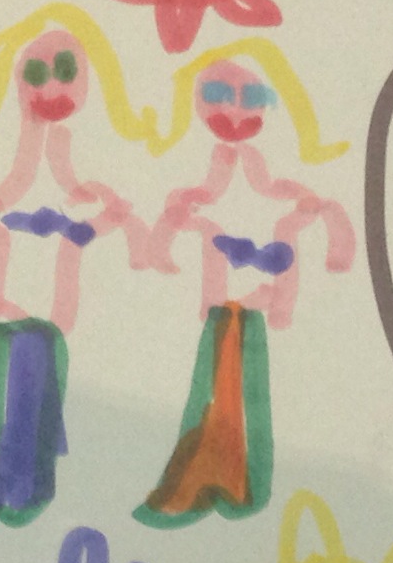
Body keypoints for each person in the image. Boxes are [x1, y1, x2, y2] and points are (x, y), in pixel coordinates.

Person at [0, 4, 155, 545]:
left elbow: (84, 199)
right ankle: (12, 476)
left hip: (47, 292)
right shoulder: (28, 141)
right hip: (20, 286)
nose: (50, 87)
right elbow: (14, 188)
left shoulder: (74, 143)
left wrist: (100, 222)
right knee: (20, 375)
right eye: (35, 73)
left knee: (31, 371)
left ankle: (17, 478)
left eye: (64, 71)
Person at [136, 40, 351, 526]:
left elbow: (283, 203)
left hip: (254, 297)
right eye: (217, 94)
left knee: (242, 382)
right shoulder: (207, 176)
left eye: (252, 98)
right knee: (216, 381)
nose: (234, 111)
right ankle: (209, 473)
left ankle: (238, 479)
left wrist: (318, 236)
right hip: (224, 300)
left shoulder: (268, 179)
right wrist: (171, 230)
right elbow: (191, 211)